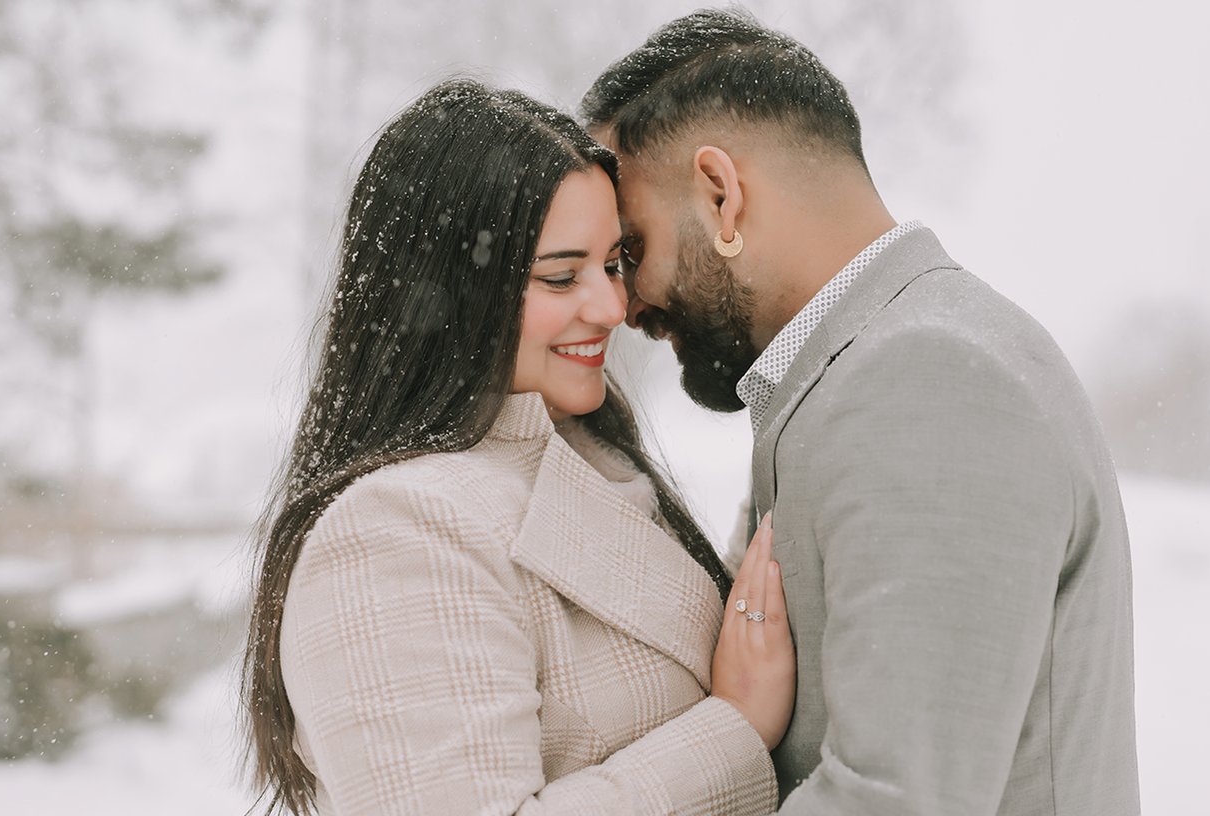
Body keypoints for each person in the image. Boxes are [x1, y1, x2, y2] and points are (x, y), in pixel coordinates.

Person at [582, 9, 1141, 814]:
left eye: (630, 250)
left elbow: (896, 801)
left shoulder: (929, 384)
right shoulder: (860, 371)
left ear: (720, 195)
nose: (624, 302)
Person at [239, 78, 794, 816]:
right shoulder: (391, 534)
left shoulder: (587, 459)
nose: (611, 306)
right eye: (561, 276)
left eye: (612, 263)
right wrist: (736, 730)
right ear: (447, 292)